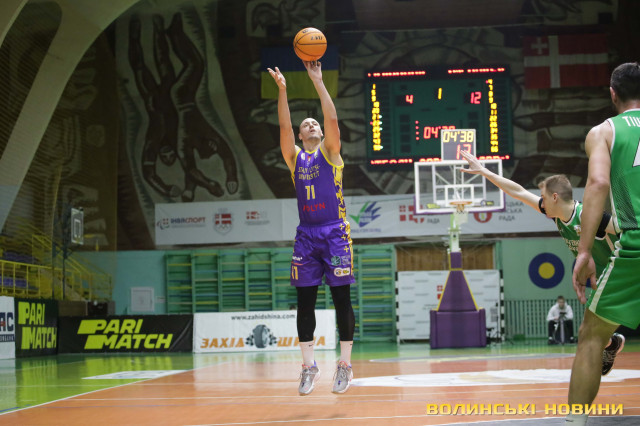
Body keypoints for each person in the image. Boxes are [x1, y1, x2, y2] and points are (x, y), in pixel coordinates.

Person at [460, 152, 624, 368]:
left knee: (590, 333)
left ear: (555, 197)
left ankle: (610, 345)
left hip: (622, 274)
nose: (541, 203)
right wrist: (484, 171)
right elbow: (518, 191)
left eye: (543, 198)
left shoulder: (589, 216)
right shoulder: (558, 216)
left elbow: (627, 231)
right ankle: (611, 343)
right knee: (589, 333)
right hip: (602, 281)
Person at [268, 60, 355, 396]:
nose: (312, 124)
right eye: (306, 124)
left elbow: (331, 119)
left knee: (341, 298)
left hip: (335, 233)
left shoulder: (331, 153)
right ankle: (309, 367)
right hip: (306, 235)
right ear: (302, 135)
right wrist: (283, 90)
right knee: (305, 301)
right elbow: (283, 126)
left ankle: (345, 365)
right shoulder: (295, 159)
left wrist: (318, 81)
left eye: (314, 123)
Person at [569, 62, 640, 425]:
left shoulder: (604, 132)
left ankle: (576, 421)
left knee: (592, 335)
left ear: (613, 94)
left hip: (636, 244)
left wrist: (584, 251)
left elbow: (598, 183)